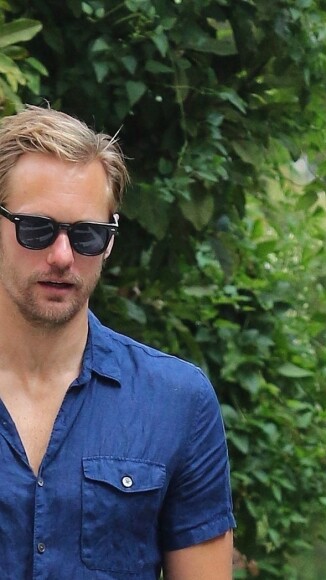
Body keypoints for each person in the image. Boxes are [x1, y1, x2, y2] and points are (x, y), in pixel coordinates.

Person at [0, 105, 236, 578]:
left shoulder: (176, 402)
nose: (62, 256)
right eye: (36, 229)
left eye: (86, 235)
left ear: (109, 241)